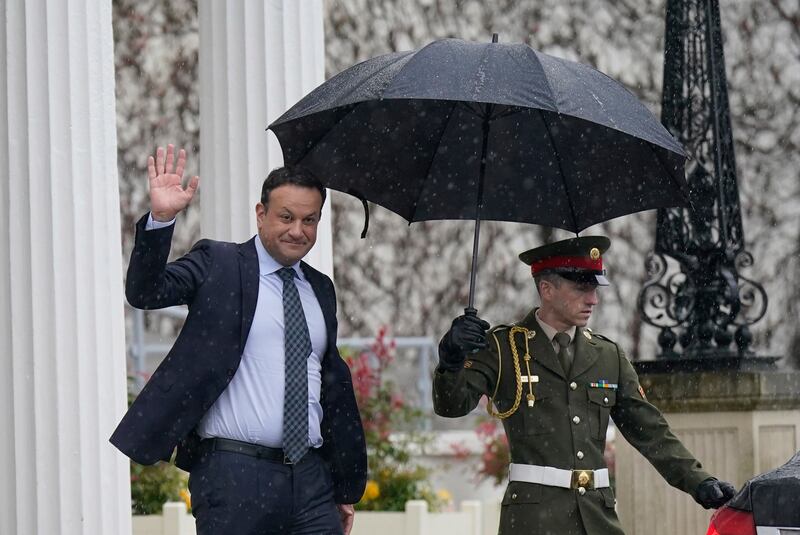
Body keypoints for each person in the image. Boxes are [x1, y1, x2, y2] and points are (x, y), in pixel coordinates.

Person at [111, 144, 367, 535]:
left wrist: (342, 484)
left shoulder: (321, 288)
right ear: (261, 214)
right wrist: (160, 220)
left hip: (311, 480)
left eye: (309, 220)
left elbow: (328, 387)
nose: (297, 230)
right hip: (234, 474)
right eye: (286, 217)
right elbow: (145, 293)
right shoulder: (220, 264)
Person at [432, 236, 736, 535]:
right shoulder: (503, 348)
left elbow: (650, 430)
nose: (593, 299)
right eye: (581, 288)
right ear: (547, 289)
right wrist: (452, 360)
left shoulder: (607, 355)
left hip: (596, 517)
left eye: (594, 289)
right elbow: (451, 406)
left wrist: (699, 482)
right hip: (534, 520)